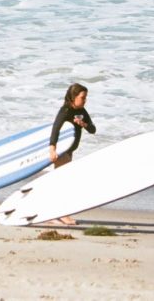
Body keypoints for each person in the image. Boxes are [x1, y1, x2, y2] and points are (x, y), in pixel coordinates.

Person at [47, 82, 96, 225]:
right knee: (62, 183)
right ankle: (59, 215)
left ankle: (56, 214)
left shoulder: (82, 112)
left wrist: (84, 124)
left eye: (86, 97)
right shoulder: (65, 110)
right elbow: (55, 129)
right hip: (62, 152)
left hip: (70, 151)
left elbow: (93, 129)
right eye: (82, 97)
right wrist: (52, 149)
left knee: (61, 183)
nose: (85, 100)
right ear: (73, 97)